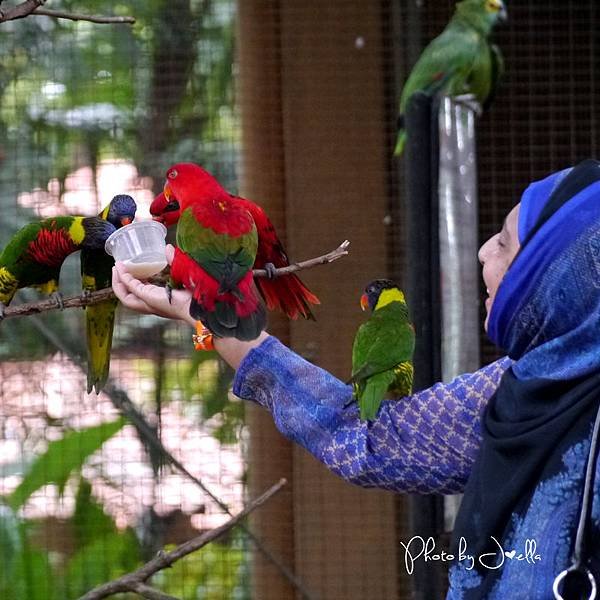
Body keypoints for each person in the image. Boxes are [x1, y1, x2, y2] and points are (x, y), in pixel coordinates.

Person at [112, 159, 600, 599]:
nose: (482, 251)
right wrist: (206, 318)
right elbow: (367, 435)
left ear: (558, 277)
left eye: (505, 242)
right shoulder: (511, 389)